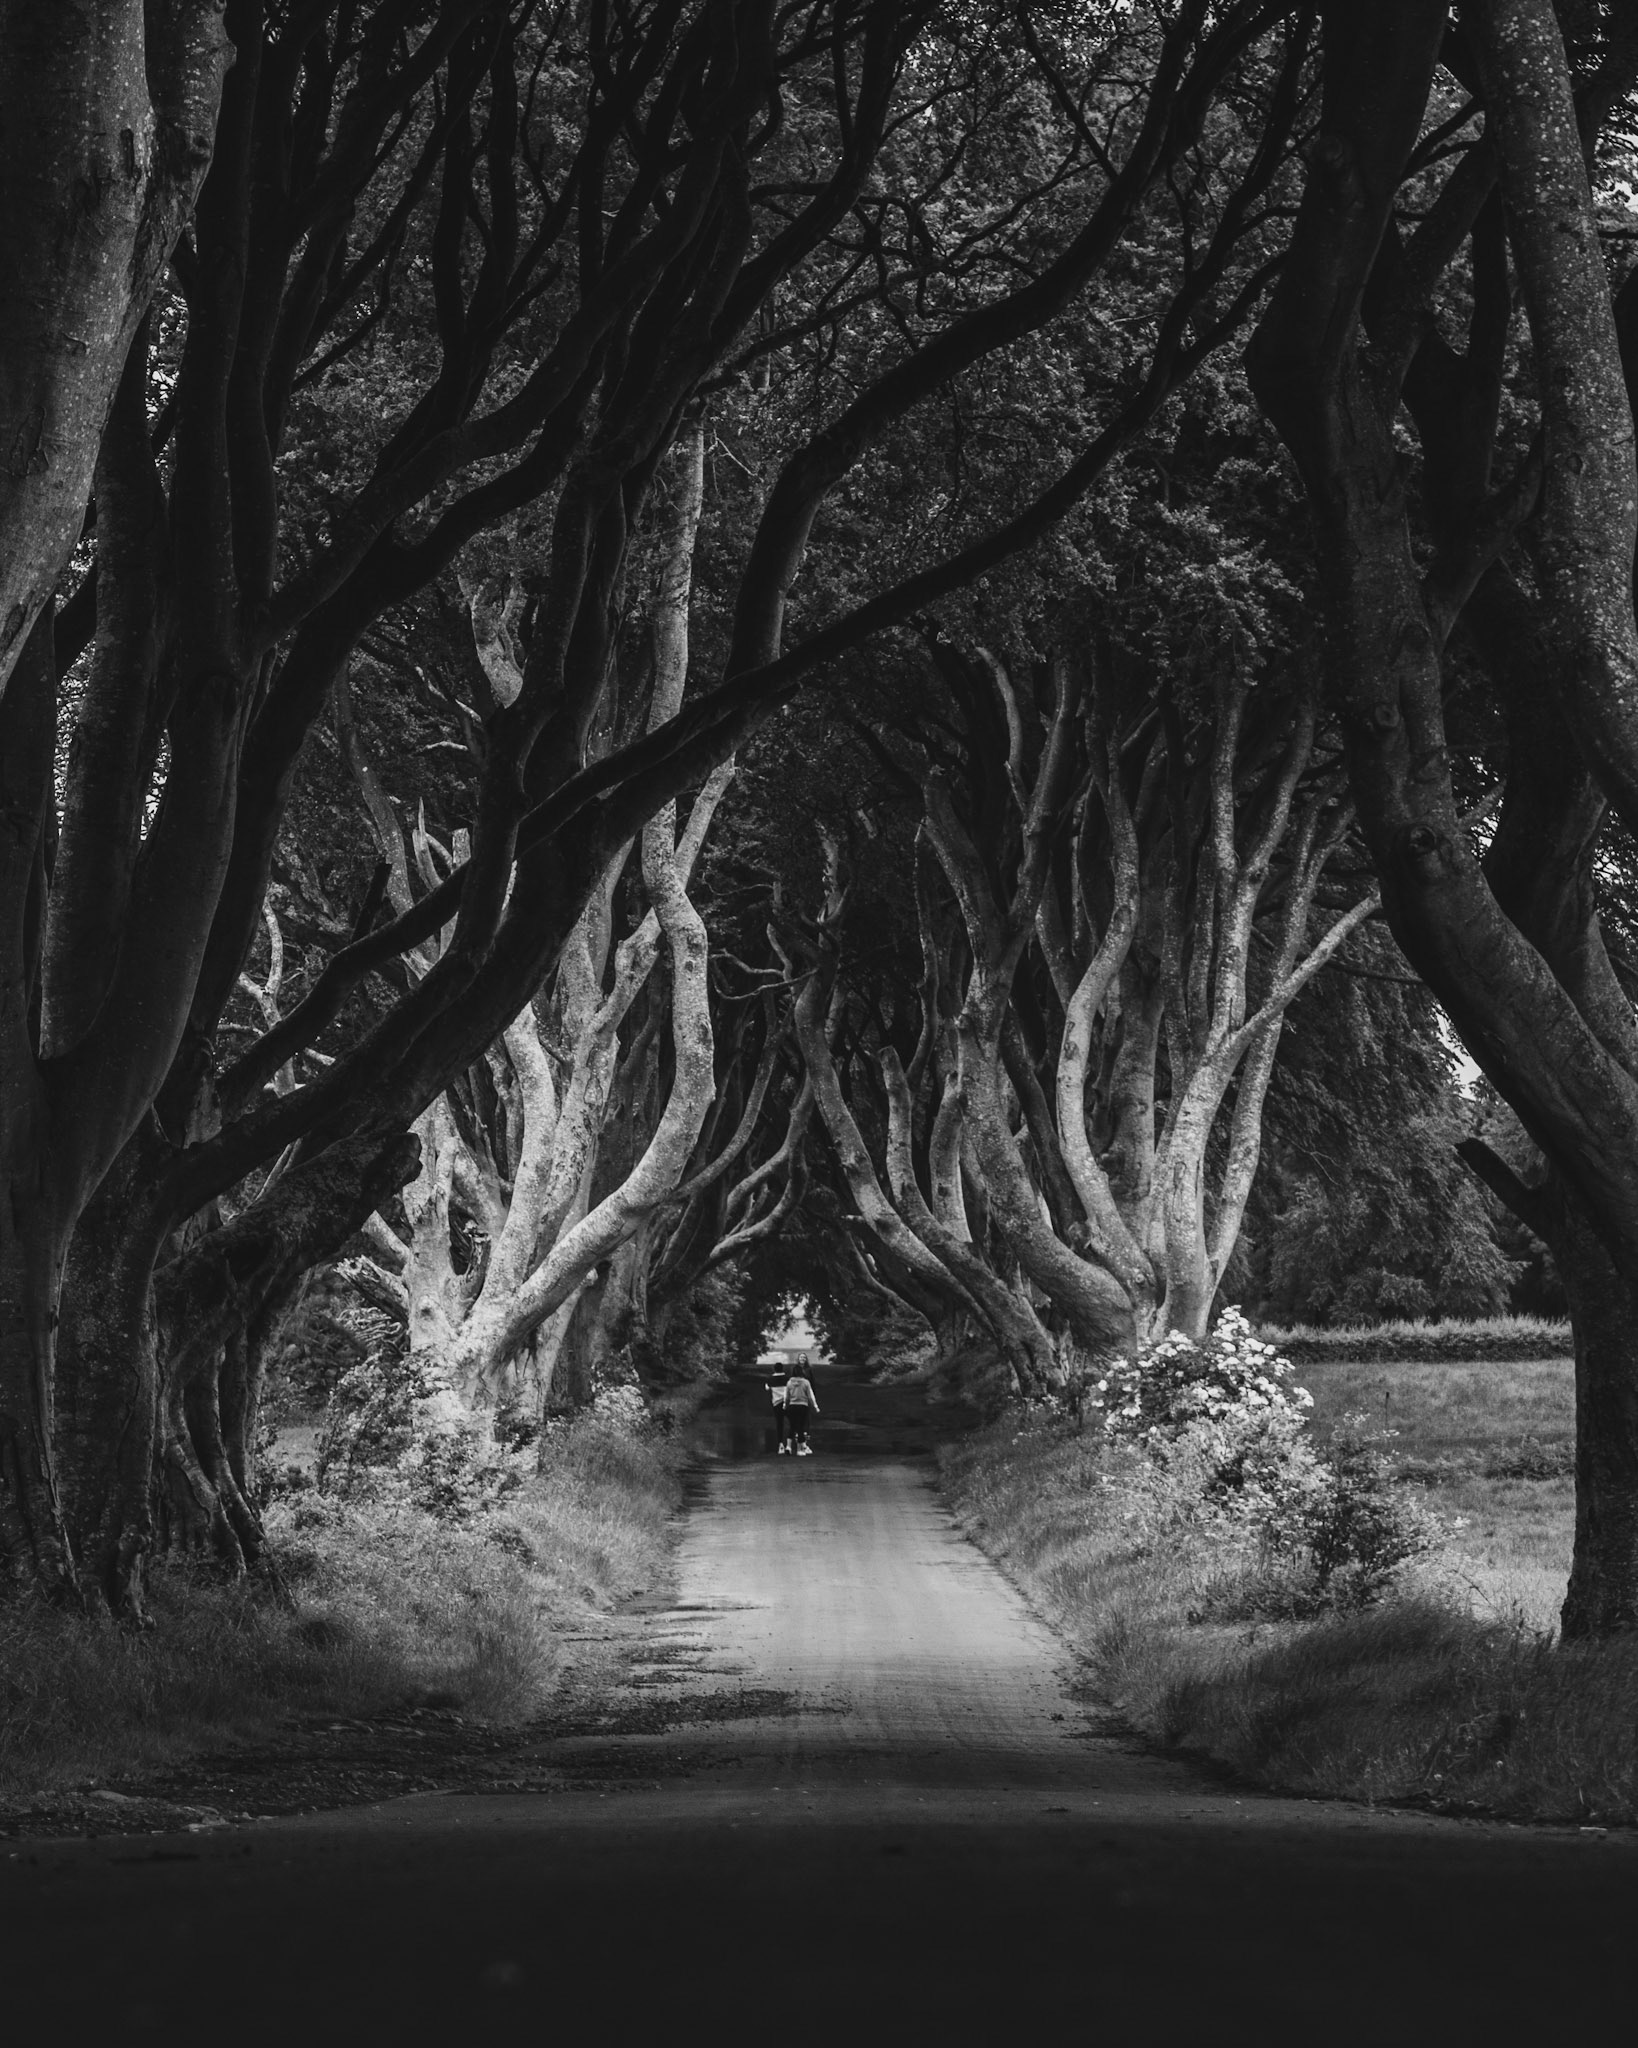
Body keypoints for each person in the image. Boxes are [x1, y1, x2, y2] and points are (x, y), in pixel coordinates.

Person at [784, 1357, 819, 1455]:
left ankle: (788, 1446)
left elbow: (786, 1396)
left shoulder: (789, 1382)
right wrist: (815, 1406)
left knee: (792, 1426)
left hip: (792, 1406)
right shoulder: (805, 1382)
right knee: (800, 1426)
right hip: (802, 1405)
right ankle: (801, 1448)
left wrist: (785, 1405)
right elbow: (810, 1395)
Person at [764, 1364, 791, 1453]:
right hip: (787, 1403)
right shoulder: (788, 1379)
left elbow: (767, 1388)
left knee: (780, 1424)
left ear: (774, 1369)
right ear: (782, 1369)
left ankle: (780, 1445)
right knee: (793, 1423)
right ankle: (790, 1444)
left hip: (777, 1404)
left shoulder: (770, 1379)